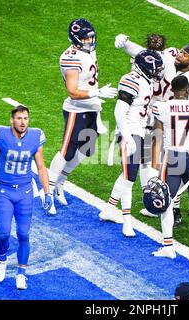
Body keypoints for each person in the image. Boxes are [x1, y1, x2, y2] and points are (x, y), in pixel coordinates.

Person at [115, 34, 189, 227]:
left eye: (185, 54)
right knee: (155, 163)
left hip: (178, 123)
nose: (180, 56)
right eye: (180, 52)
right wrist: (125, 44)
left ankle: (172, 207)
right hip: (159, 117)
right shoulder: (167, 57)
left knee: (166, 163)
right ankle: (173, 202)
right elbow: (142, 54)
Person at [0, 105, 53, 290]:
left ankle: (21, 273)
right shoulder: (1, 135)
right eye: (19, 118)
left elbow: (41, 167)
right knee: (3, 233)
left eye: (25, 118)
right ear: (12, 120)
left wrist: (47, 191)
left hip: (25, 192)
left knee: (24, 233)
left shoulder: (35, 137)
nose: (23, 122)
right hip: (5, 191)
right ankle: (1, 261)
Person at [49, 18, 117, 206]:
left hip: (92, 107)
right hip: (76, 109)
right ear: (76, 38)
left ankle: (61, 181)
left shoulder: (89, 51)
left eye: (91, 38)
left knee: (87, 149)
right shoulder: (71, 57)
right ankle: (48, 190)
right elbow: (72, 91)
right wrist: (97, 92)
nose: (90, 41)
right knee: (67, 150)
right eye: (86, 39)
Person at [98, 50, 164, 237]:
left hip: (139, 131)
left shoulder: (145, 80)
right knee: (129, 178)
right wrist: (127, 136)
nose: (157, 72)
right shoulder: (132, 80)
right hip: (131, 132)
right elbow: (119, 111)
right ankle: (127, 222)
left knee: (129, 174)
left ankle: (109, 208)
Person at [151, 75, 189, 259]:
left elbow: (157, 136)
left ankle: (168, 246)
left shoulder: (162, 106)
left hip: (172, 157)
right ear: (187, 91)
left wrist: (154, 167)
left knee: (166, 202)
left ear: (172, 90)